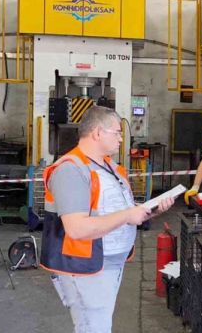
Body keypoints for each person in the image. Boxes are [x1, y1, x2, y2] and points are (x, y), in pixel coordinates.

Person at [40, 106, 174, 333]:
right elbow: (77, 228)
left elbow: (116, 211)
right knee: (93, 328)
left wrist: (147, 212)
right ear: (97, 133)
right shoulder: (71, 170)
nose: (121, 139)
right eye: (117, 132)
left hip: (108, 262)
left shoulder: (111, 168)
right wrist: (128, 215)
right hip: (84, 267)